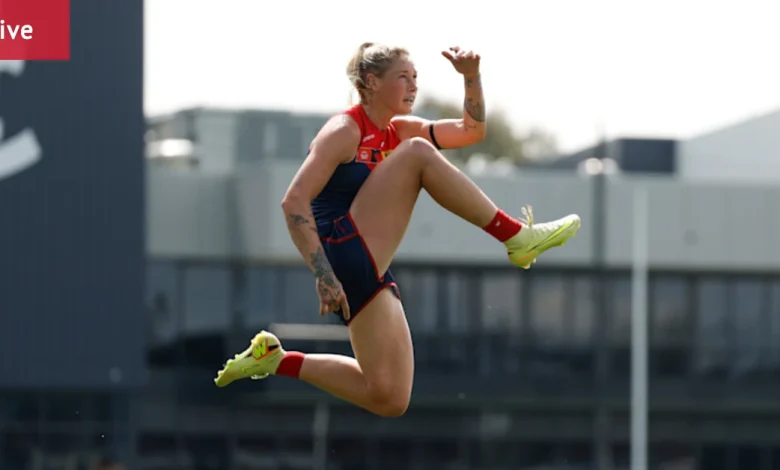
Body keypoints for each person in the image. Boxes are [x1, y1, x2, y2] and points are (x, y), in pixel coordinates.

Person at [214, 43, 581, 417]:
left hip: (364, 263)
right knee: (417, 153)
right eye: (403, 77)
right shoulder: (344, 130)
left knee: (389, 397)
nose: (414, 86)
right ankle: (515, 236)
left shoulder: (400, 129)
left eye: (416, 77)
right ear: (372, 82)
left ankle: (276, 359)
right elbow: (293, 202)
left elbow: (471, 132)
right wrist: (323, 275)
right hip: (340, 250)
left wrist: (471, 78)